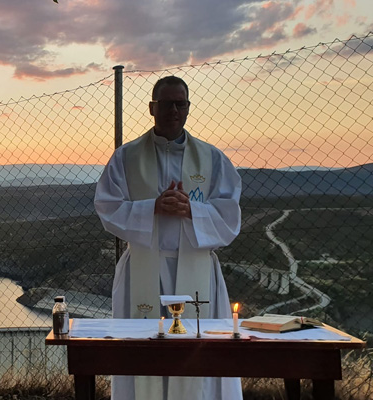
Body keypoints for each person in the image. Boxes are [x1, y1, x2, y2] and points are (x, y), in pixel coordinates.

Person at [94, 76, 243, 400]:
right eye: (167, 104)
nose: (174, 110)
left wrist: (194, 211)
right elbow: (107, 206)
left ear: (188, 108)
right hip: (145, 268)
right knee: (142, 356)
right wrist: (153, 207)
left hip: (197, 270)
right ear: (152, 107)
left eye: (181, 103)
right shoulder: (126, 157)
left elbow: (230, 216)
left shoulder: (213, 158)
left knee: (200, 356)